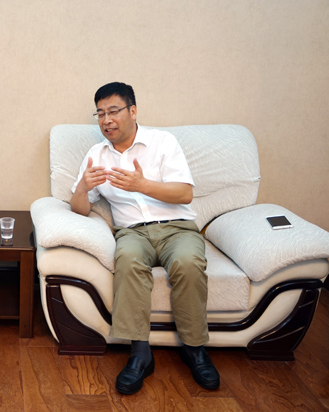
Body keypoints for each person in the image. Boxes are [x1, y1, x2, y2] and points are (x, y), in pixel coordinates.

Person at [70, 82, 219, 395]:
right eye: (100, 114)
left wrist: (142, 185)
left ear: (133, 111)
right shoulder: (97, 154)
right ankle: (140, 354)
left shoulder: (162, 142)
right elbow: (80, 209)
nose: (106, 120)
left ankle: (194, 349)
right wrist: (82, 187)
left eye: (113, 111)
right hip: (132, 232)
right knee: (127, 260)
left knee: (188, 262)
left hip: (177, 228)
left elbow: (185, 193)